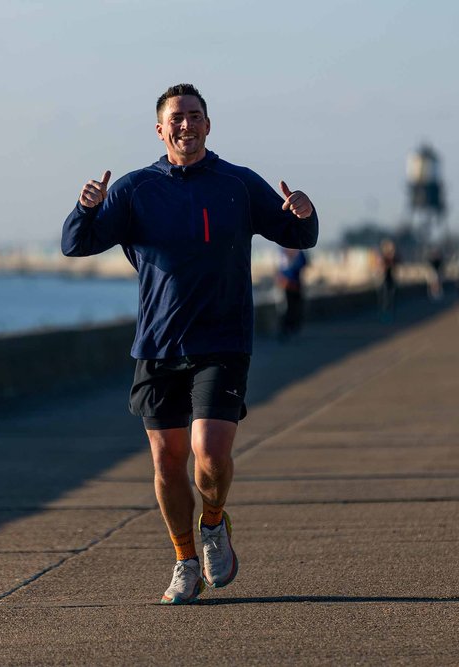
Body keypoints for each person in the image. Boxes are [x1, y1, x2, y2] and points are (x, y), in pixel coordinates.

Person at [61, 84, 318, 604]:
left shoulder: (238, 183)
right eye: (176, 118)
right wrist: (85, 208)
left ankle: (215, 524)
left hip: (223, 340)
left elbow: (298, 237)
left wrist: (303, 212)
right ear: (160, 129)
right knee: (166, 461)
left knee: (209, 453)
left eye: (194, 116)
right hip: (157, 344)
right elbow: (75, 244)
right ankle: (183, 560)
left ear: (208, 124)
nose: (186, 125)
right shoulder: (135, 189)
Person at [276, 247, 309, 340]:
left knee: (296, 308)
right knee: (288, 308)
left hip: (295, 285)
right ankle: (286, 330)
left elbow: (303, 264)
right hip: (287, 285)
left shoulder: (298, 253)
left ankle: (292, 329)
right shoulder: (284, 253)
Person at [378, 239, 398, 320]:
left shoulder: (393, 258)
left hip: (391, 279)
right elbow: (381, 267)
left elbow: (395, 264)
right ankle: (385, 313)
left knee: (391, 297)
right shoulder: (383, 258)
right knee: (385, 297)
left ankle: (389, 313)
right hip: (385, 280)